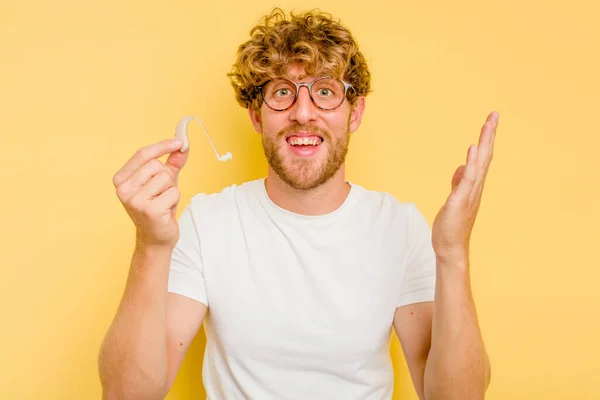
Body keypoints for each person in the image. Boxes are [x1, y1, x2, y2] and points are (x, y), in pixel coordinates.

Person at [99, 8, 497, 400]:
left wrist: (453, 253)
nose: (303, 113)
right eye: (282, 93)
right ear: (256, 115)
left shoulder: (400, 227)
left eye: (325, 92)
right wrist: (151, 246)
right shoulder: (208, 223)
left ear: (353, 112)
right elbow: (128, 394)